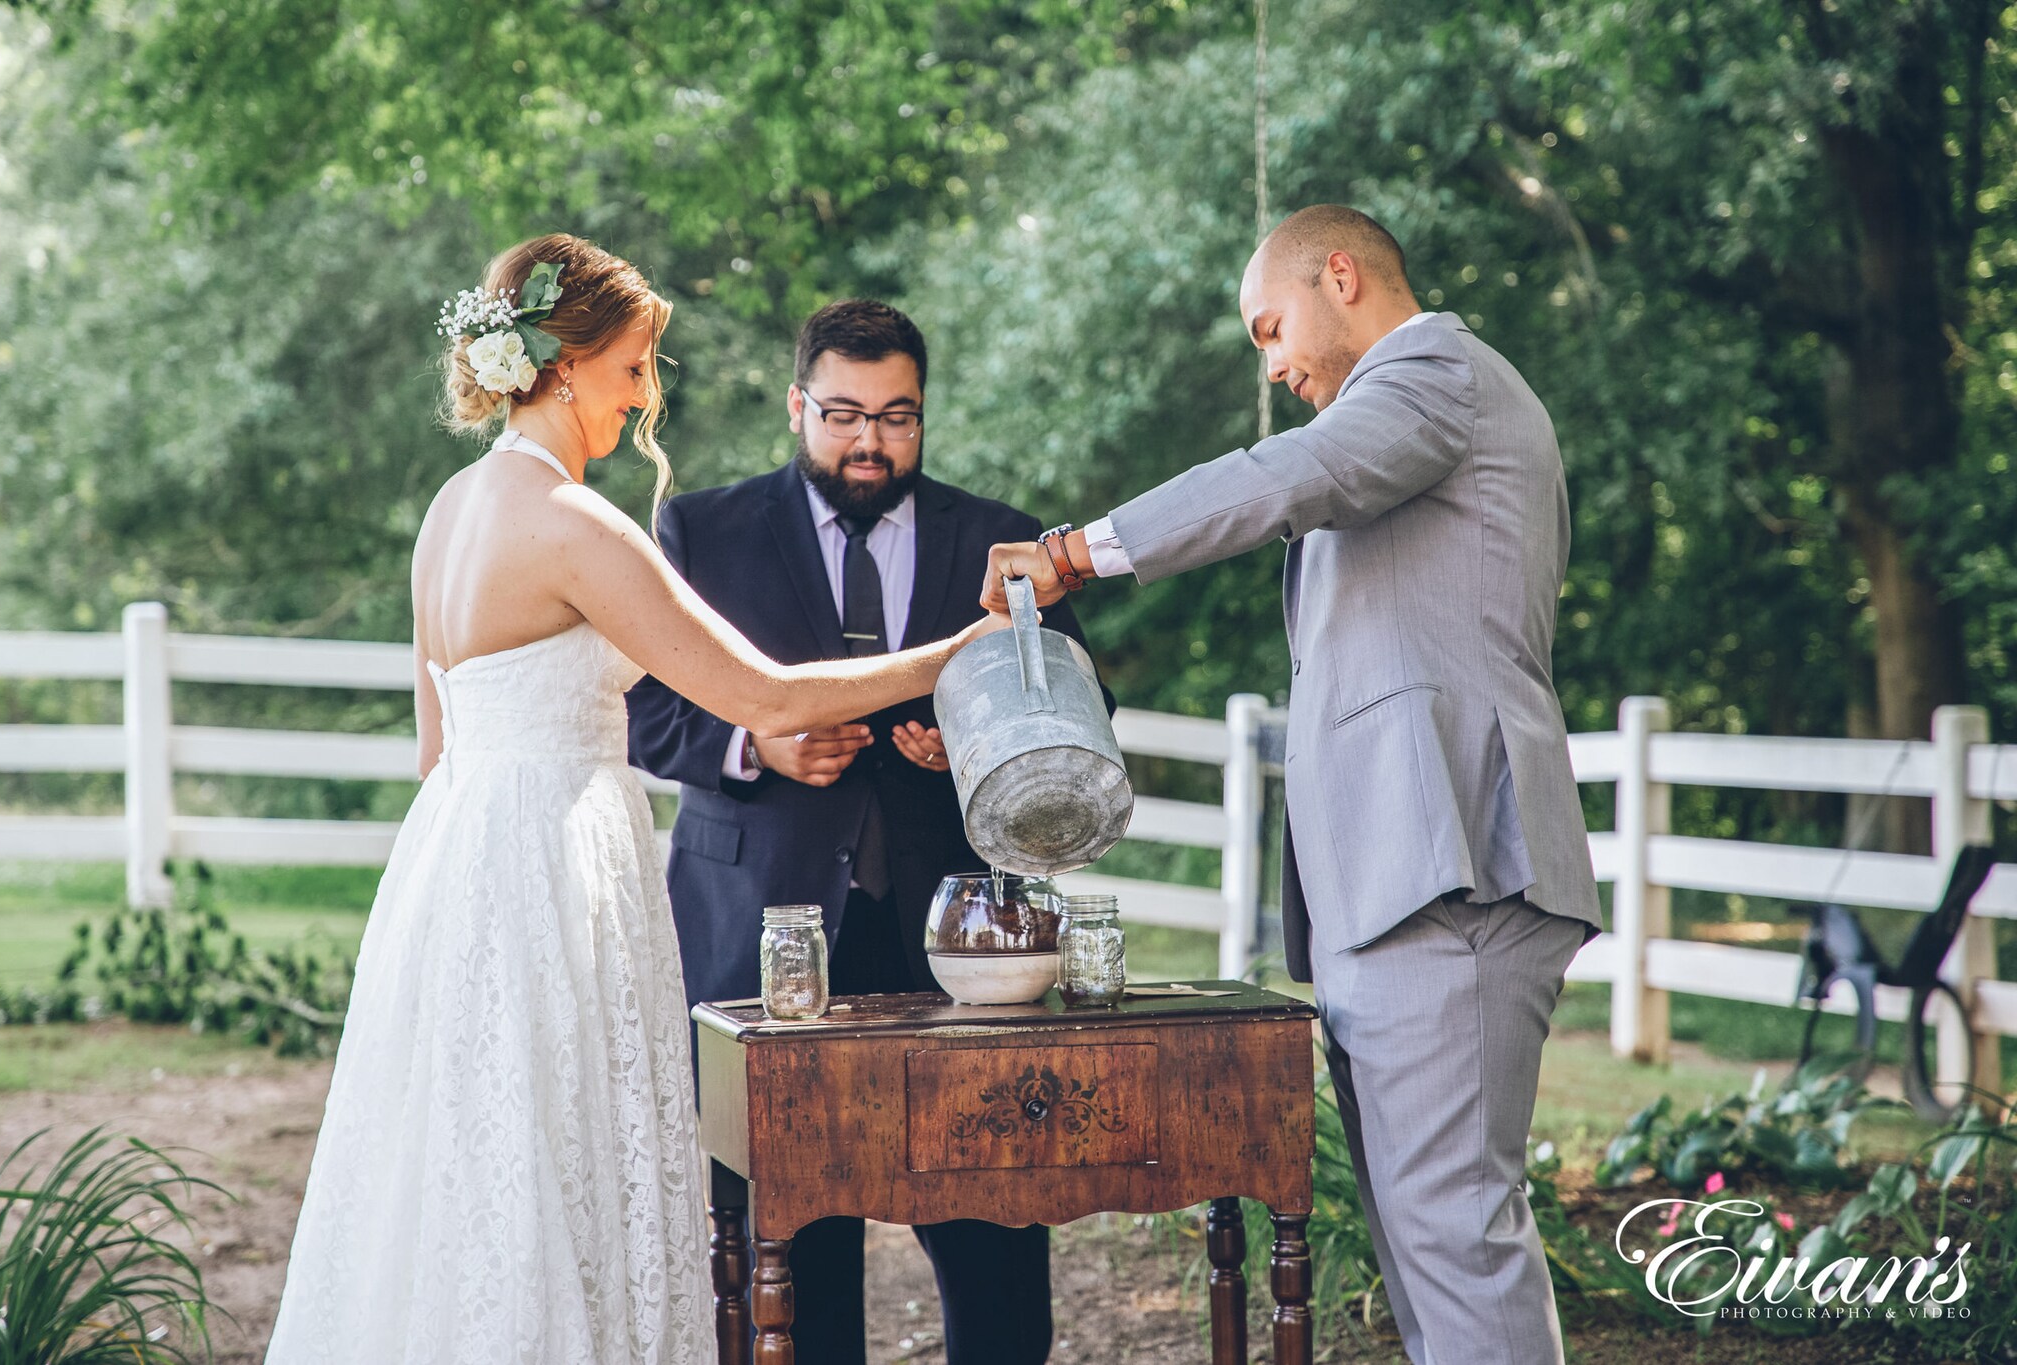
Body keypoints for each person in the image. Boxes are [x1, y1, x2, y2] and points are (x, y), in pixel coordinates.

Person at [264, 236, 1007, 1365]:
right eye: (630, 370)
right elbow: (760, 692)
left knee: (472, 1175)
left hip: (458, 872)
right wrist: (958, 651)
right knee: (563, 1165)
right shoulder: (569, 521)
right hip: (555, 877)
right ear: (562, 368)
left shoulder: (449, 512)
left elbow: (435, 747)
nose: (640, 396)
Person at [983, 204, 1603, 1365]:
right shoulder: (1412, 412)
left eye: (1271, 331)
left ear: (1340, 274)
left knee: (1457, 1248)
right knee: (1427, 1252)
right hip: (1399, 883)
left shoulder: (1434, 375)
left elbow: (1288, 475)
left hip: (1452, 873)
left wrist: (1075, 551)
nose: (1274, 369)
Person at [626, 299, 1096, 1365]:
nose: (869, 441)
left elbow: (1070, 715)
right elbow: (638, 710)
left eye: (896, 417)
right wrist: (754, 744)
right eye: (841, 414)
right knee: (789, 1239)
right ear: (796, 406)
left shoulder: (1001, 541)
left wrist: (974, 747)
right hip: (759, 927)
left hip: (960, 943)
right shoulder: (700, 530)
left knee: (992, 1230)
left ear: (923, 416)